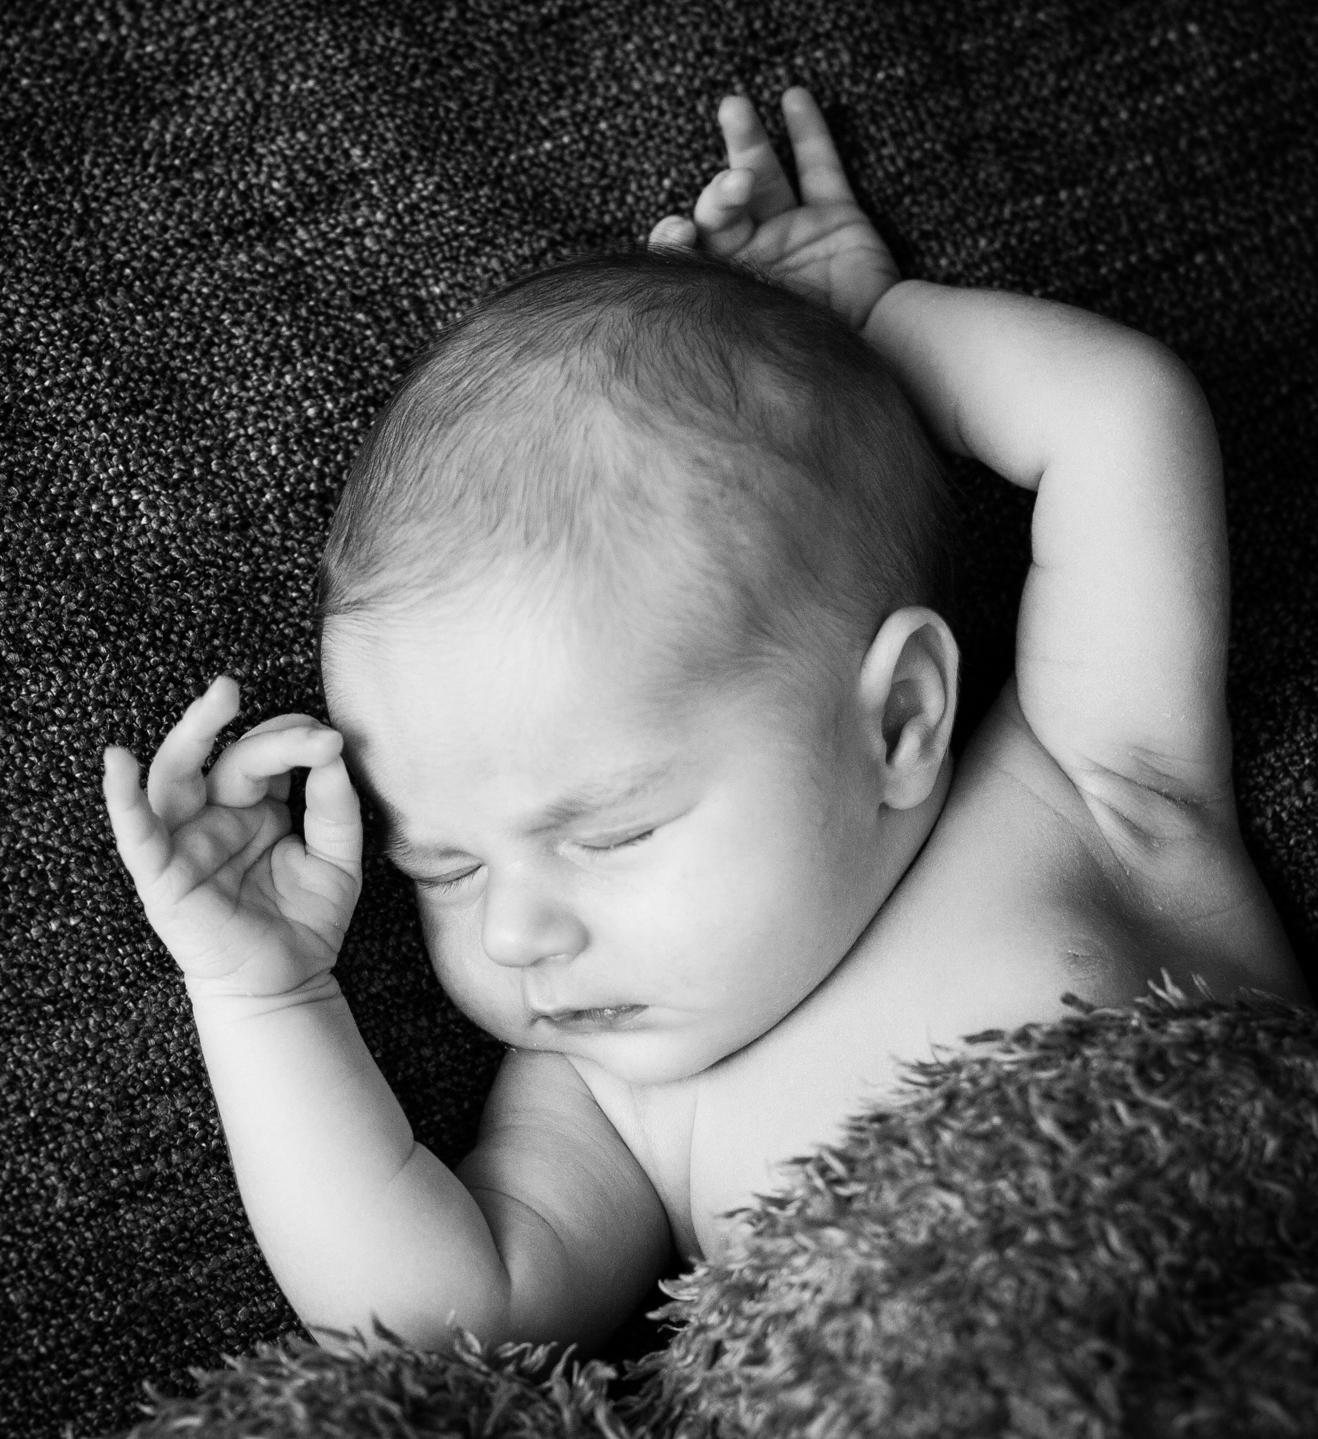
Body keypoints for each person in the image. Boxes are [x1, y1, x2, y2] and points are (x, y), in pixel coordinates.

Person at [102, 87, 1309, 1355]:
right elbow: (436, 1318)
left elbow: (1115, 421)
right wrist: (265, 996)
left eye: (611, 832)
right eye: (442, 868)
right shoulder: (616, 1093)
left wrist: (870, 330)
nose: (514, 933)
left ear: (900, 718)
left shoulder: (1083, 783)